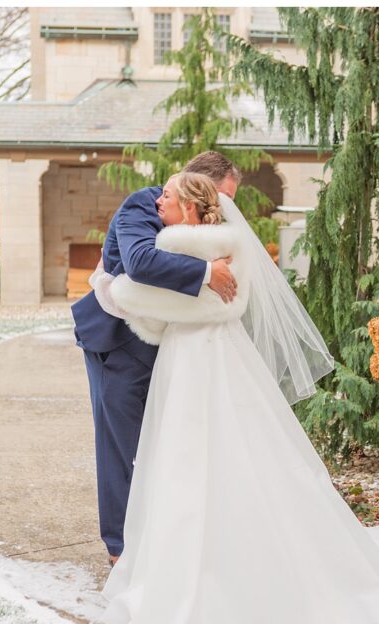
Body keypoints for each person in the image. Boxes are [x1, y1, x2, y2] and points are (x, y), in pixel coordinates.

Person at [94, 171, 379, 624]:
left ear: (190, 208)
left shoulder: (182, 246)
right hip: (217, 364)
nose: (156, 199)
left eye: (168, 196)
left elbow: (131, 293)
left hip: (197, 371)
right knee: (235, 470)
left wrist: (111, 288)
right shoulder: (229, 248)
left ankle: (195, 587)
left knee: (188, 472)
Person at [72, 151, 241, 567]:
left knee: (165, 447)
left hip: (173, 348)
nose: (224, 209)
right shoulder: (145, 204)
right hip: (118, 343)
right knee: (120, 447)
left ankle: (166, 540)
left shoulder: (214, 225)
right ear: (193, 187)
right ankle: (120, 549)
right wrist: (206, 273)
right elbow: (140, 262)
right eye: (221, 197)